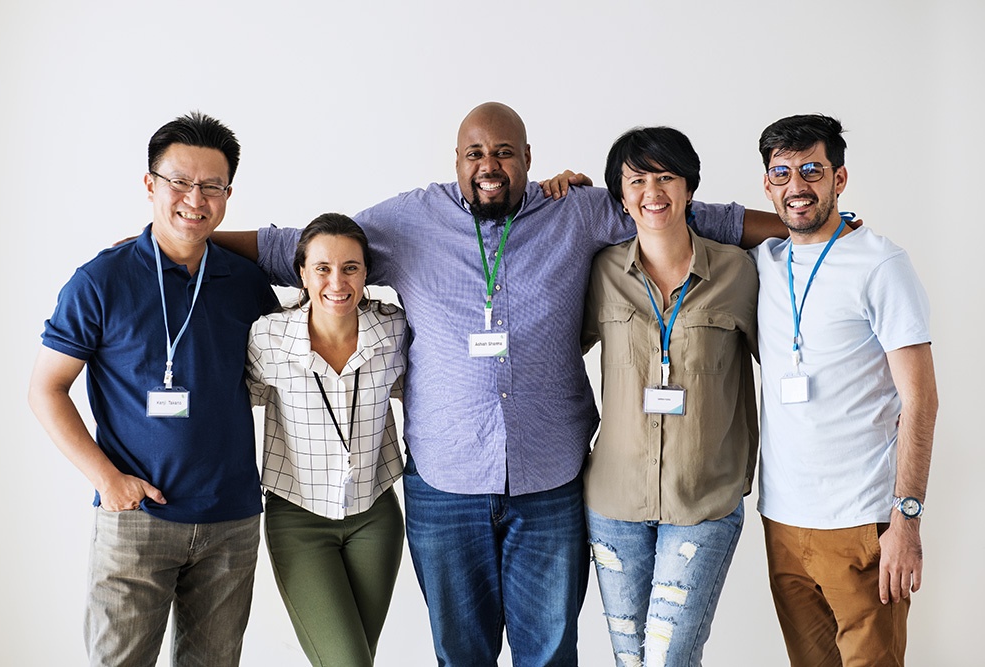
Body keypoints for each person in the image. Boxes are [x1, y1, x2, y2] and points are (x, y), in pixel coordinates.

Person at [214, 102, 782, 666]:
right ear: (456, 160)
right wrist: (189, 244)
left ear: (529, 158)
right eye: (476, 153)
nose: (490, 165)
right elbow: (296, 248)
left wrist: (806, 225)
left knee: (550, 652)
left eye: (505, 153)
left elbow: (687, 213)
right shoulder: (408, 222)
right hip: (445, 487)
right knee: (462, 655)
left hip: (550, 482)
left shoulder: (576, 211)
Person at [27, 112, 278, 666]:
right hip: (138, 518)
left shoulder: (246, 283)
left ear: (228, 194)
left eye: (212, 186)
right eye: (180, 183)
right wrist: (108, 481)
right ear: (150, 185)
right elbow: (46, 388)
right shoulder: (100, 280)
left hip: (231, 520)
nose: (196, 198)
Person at [751, 114, 938, 666]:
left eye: (812, 169)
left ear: (840, 178)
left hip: (863, 521)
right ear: (767, 184)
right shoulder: (767, 260)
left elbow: (921, 400)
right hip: (782, 520)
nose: (797, 186)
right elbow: (683, 214)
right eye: (781, 173)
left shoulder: (881, 264)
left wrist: (906, 520)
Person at [581, 127, 758, 667]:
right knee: (630, 661)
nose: (652, 191)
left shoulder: (739, 271)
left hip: (702, 501)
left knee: (668, 658)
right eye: (636, 180)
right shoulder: (601, 271)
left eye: (665, 177)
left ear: (688, 188)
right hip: (615, 504)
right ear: (620, 194)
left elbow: (789, 361)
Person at [246, 213, 407, 667]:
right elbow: (239, 405)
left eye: (350, 267)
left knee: (354, 660)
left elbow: (424, 394)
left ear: (366, 273)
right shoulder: (269, 338)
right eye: (323, 268)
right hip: (298, 520)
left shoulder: (393, 332)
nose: (337, 281)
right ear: (301, 272)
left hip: (375, 518)